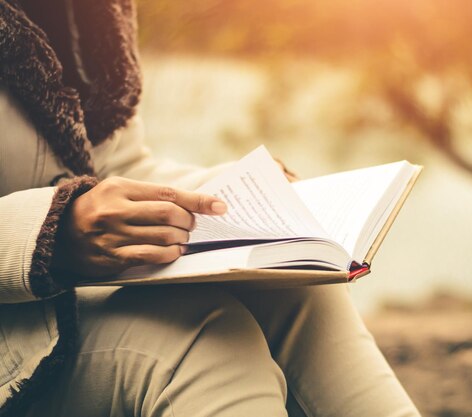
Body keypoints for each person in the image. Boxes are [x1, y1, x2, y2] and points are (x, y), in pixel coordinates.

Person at [0, 0, 422, 416]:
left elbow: (113, 165)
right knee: (206, 345)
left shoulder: (94, 12)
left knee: (296, 281)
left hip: (69, 293)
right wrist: (53, 234)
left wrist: (228, 191)